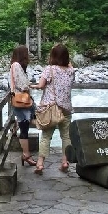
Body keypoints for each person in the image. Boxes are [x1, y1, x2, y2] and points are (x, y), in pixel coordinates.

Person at [30, 43, 75, 174]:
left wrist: (31, 86)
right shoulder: (71, 71)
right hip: (66, 108)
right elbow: (70, 69)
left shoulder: (49, 69)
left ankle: (40, 164)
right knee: (66, 137)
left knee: (46, 136)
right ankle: (65, 162)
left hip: (51, 108)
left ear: (53, 56)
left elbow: (41, 85)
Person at [8, 44, 37, 167]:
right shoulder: (16, 66)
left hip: (21, 101)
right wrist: (30, 85)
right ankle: (26, 155)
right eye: (27, 53)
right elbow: (22, 85)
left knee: (25, 124)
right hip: (21, 101)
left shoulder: (16, 65)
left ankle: (14, 128)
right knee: (25, 127)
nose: (28, 56)